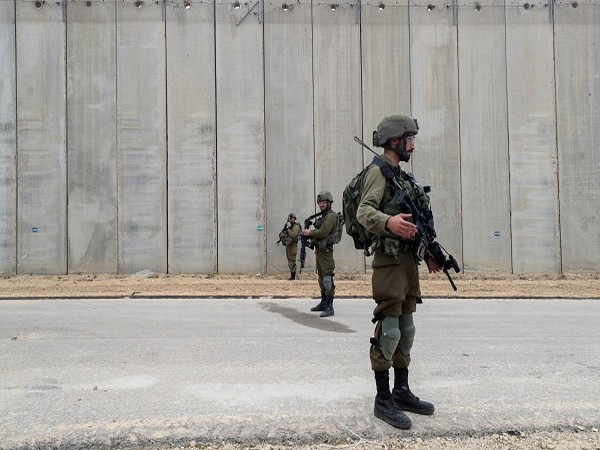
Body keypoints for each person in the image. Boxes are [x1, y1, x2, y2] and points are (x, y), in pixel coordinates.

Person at [356, 114, 442, 430]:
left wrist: (429, 254)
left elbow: (414, 221)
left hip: (407, 262)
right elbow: (366, 211)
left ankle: (401, 390)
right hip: (389, 263)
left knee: (407, 330)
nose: (413, 145)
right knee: (390, 331)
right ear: (395, 141)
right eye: (409, 139)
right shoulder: (378, 172)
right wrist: (389, 223)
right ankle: (382, 399)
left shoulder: (399, 175)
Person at [302, 191, 337, 318]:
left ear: (329, 203)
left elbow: (323, 232)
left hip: (326, 252)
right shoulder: (324, 215)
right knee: (321, 278)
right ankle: (323, 303)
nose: (321, 205)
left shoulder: (331, 216)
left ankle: (330, 307)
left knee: (327, 278)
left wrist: (309, 233)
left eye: (324, 202)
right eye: (320, 203)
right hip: (320, 250)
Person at [278, 213, 302, 280]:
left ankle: (293, 276)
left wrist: (287, 230)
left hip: (293, 246)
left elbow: (293, 235)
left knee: (292, 261)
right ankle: (292, 275)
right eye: (290, 219)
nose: (291, 220)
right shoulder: (290, 226)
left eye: (292, 218)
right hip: (288, 245)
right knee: (290, 261)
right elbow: (282, 234)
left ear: (295, 219)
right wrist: (285, 230)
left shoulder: (296, 227)